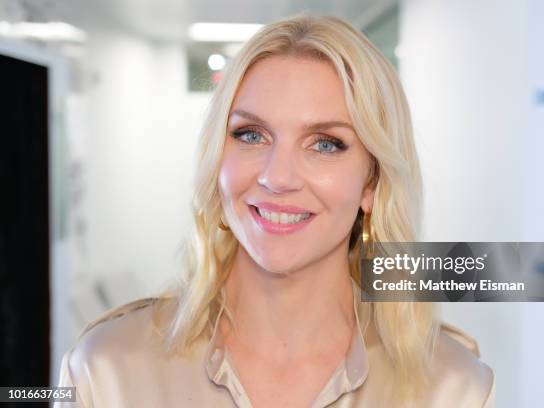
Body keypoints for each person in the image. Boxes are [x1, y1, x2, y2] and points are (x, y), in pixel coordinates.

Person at [55, 14, 495, 408]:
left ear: (372, 182)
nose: (277, 177)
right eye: (251, 135)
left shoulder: (453, 390)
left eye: (325, 143)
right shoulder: (105, 370)